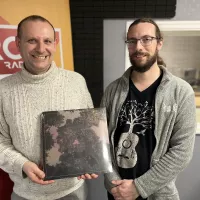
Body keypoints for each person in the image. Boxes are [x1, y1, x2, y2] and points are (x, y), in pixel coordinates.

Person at [0, 15, 98, 200]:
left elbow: (90, 130)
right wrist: (22, 165)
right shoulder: (3, 90)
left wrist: (89, 159)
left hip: (73, 193)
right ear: (18, 43)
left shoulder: (76, 81)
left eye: (47, 41)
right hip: (25, 195)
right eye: (31, 41)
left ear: (55, 44)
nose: (40, 48)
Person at [101, 18, 196, 200]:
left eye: (146, 39)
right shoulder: (112, 91)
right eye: (132, 41)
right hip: (117, 192)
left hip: (159, 194)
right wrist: (113, 182)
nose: (139, 47)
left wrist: (138, 187)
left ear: (159, 43)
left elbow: (182, 151)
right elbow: (101, 141)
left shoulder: (181, 92)